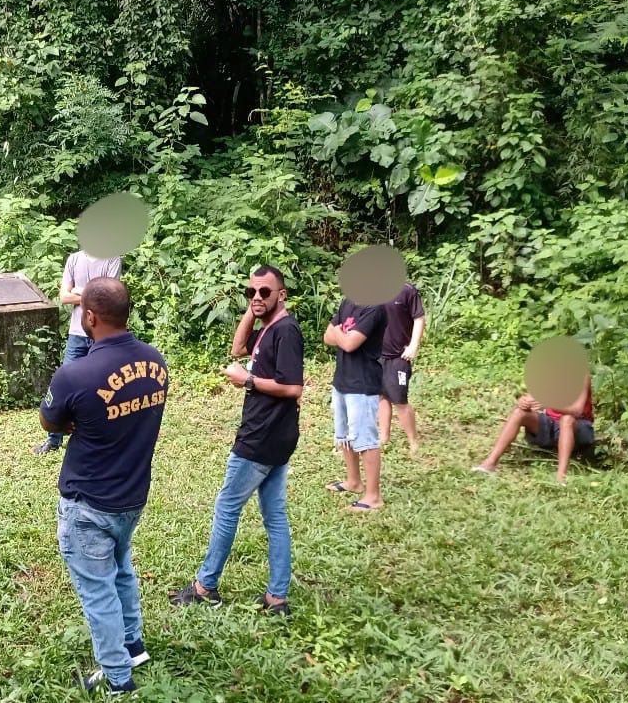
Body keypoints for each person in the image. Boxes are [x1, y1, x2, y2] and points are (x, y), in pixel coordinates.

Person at [39, 278, 168, 694]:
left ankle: (117, 679)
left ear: (89, 316)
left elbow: (50, 421)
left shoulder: (75, 374)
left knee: (98, 592)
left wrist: (77, 420)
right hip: (131, 495)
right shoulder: (156, 362)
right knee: (121, 570)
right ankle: (133, 645)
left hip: (88, 502)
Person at [170, 265, 303, 616]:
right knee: (274, 514)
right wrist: (254, 309)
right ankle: (277, 597)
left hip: (261, 437)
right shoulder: (269, 327)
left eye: (264, 292)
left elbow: (293, 388)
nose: (257, 297)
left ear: (282, 295)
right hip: (275, 436)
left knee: (227, 508)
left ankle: (205, 586)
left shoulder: (286, 331)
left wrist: (247, 381)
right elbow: (238, 348)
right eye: (251, 292)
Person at [33, 249, 122, 455]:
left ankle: (101, 435)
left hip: (102, 334)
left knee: (106, 384)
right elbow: (64, 297)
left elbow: (109, 299)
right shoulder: (74, 259)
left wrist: (79, 291)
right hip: (77, 334)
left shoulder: (112, 259)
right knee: (67, 382)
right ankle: (54, 439)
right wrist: (92, 294)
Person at [322, 296, 387, 511]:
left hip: (364, 382)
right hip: (342, 379)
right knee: (344, 434)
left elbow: (349, 344)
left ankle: (373, 496)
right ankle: (354, 482)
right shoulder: (347, 303)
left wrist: (339, 332)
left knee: (365, 438)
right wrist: (342, 335)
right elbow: (327, 337)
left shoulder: (375, 306)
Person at [472, 376, 594, 484]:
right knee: (519, 413)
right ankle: (490, 463)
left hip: (578, 426)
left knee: (566, 420)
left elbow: (577, 410)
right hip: (552, 425)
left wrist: (548, 404)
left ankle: (561, 477)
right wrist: (523, 402)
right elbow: (532, 399)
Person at [377, 283, 425, 454]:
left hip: (399, 356)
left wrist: (413, 346)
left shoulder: (406, 290)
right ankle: (384, 437)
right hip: (376, 355)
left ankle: (413, 441)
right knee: (381, 396)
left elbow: (419, 317)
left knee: (399, 400)